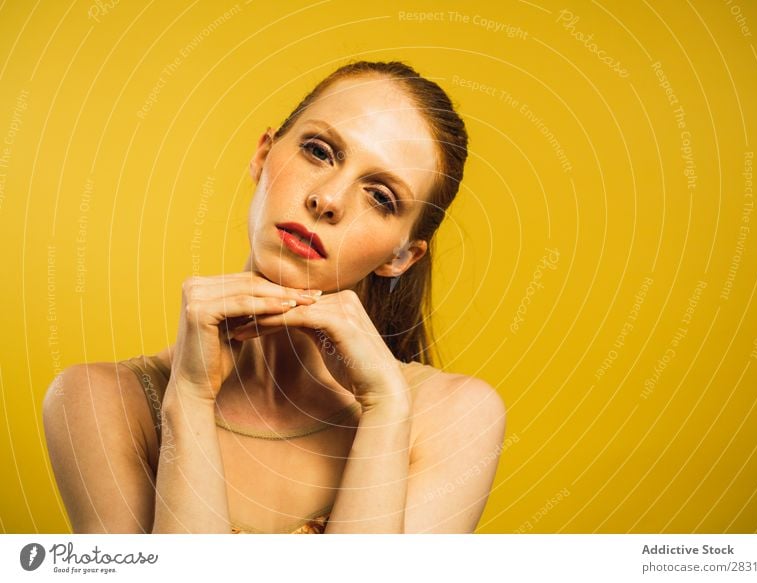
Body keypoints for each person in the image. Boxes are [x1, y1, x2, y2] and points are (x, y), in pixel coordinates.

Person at [43, 60, 507, 534]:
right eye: (319, 151)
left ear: (401, 256)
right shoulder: (98, 403)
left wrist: (385, 408)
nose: (328, 199)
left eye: (381, 197)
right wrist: (190, 398)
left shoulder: (455, 417)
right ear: (263, 155)